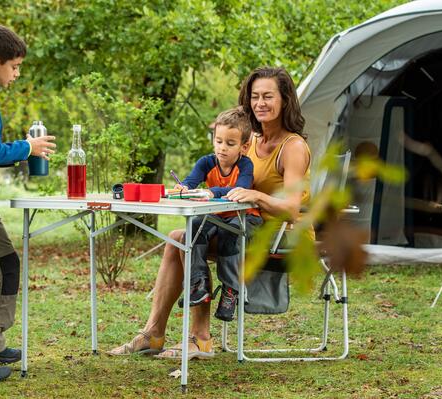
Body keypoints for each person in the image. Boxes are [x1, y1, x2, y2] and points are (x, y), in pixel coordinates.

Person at [108, 66, 311, 360]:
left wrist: (255, 194)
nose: (260, 103)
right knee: (177, 238)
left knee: (184, 240)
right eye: (255, 96)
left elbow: (292, 208)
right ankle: (154, 332)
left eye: (268, 96)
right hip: (238, 227)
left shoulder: (293, 147)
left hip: (281, 235)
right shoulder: (249, 140)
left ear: (285, 100)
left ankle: (200, 339)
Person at [0, 25, 56, 382]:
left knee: (6, 263)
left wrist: (24, 147)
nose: (17, 74)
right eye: (14, 66)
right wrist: (28, 148)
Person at [173, 107, 262, 322]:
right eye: (218, 141)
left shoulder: (245, 165)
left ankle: (231, 291)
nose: (222, 148)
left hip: (245, 216)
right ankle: (199, 284)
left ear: (244, 146)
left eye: (230, 144)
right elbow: (190, 181)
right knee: (192, 229)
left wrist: (212, 191)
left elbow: (238, 191)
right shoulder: (206, 162)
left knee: (228, 235)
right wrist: (183, 188)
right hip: (218, 214)